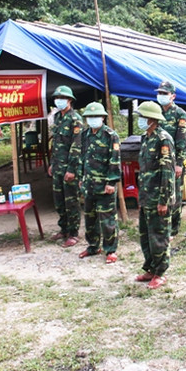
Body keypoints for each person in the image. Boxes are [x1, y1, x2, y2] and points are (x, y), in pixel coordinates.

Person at [133, 101, 176, 290]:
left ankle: (160, 273)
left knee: (159, 236)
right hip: (146, 196)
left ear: (151, 119)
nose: (140, 120)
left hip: (159, 198)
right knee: (146, 236)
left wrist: (164, 200)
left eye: (142, 117)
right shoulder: (146, 138)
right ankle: (150, 268)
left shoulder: (163, 139)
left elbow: (167, 172)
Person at [76, 101, 121, 264]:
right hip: (89, 185)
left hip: (105, 186)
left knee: (107, 219)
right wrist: (81, 178)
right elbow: (82, 158)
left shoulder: (111, 135)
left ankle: (111, 249)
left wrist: (111, 182)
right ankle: (93, 246)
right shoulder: (85, 135)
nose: (93, 119)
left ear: (103, 117)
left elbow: (114, 161)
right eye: (90, 116)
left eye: (96, 116)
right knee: (90, 218)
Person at [48, 85, 83, 247]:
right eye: (56, 98)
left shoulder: (75, 119)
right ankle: (64, 229)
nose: (58, 101)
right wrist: (52, 164)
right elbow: (55, 144)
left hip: (70, 168)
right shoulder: (57, 118)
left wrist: (72, 169)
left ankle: (74, 233)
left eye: (61, 98)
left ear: (69, 100)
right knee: (59, 200)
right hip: (57, 167)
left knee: (71, 201)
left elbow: (77, 146)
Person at [154, 81, 186, 238]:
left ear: (173, 96)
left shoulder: (180, 115)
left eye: (164, 93)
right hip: (158, 160)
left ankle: (174, 227)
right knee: (161, 192)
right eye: (159, 93)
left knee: (174, 193)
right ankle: (161, 223)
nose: (161, 96)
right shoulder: (156, 112)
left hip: (174, 161)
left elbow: (182, 141)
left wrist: (179, 164)